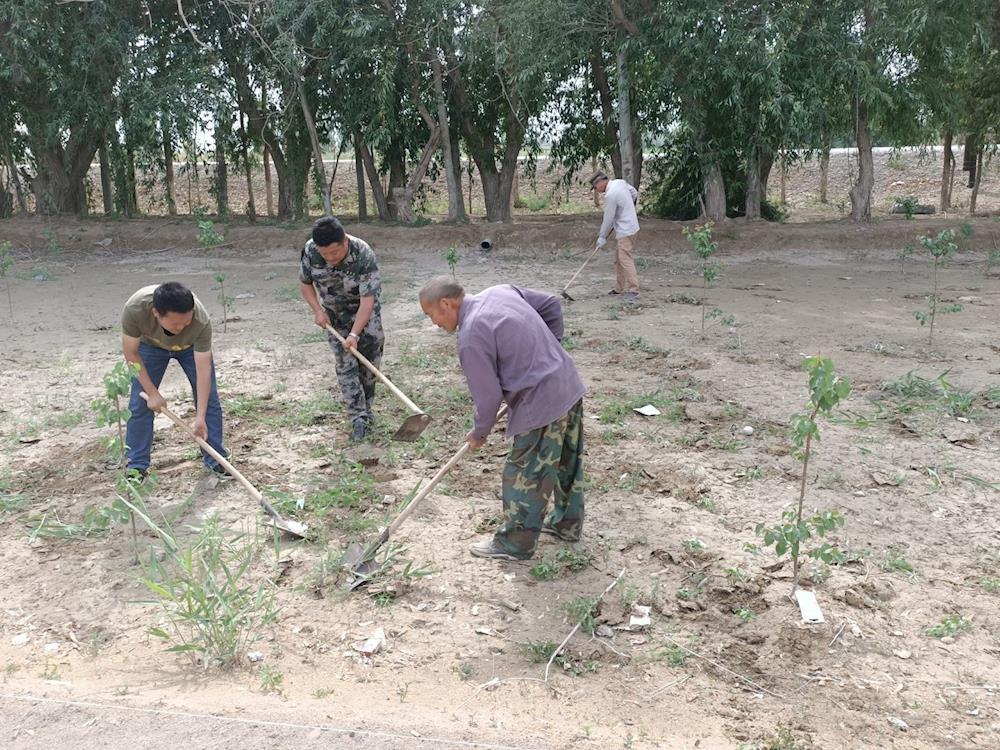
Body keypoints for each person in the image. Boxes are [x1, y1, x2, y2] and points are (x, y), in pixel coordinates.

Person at [419, 276, 586, 561]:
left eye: (430, 313)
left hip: (540, 404)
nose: (432, 321)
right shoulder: (501, 291)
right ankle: (566, 525)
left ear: (446, 304)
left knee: (524, 473)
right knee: (565, 461)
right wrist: (551, 350)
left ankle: (515, 543)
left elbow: (488, 397)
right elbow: (551, 305)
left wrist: (479, 433)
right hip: (568, 384)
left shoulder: (471, 336)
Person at [121, 282, 227, 479]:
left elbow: (203, 370)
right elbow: (131, 354)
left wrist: (200, 417)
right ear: (156, 313)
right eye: (176, 324)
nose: (182, 327)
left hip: (190, 348)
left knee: (209, 401)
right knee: (140, 403)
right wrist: (152, 393)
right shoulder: (135, 309)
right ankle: (136, 466)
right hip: (149, 346)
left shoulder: (200, 320)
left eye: (186, 322)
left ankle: (216, 460)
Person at [299, 216, 384, 442]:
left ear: (345, 241)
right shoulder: (310, 251)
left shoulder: (363, 254)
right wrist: (318, 310)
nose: (330, 258)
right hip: (334, 315)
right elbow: (305, 283)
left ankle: (367, 407)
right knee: (345, 364)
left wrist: (355, 334)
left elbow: (368, 300)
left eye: (334, 253)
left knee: (369, 363)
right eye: (325, 254)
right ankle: (357, 417)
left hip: (364, 313)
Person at [589, 170, 640, 298]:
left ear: (600, 182)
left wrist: (602, 236)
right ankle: (619, 288)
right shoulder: (620, 183)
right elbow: (634, 193)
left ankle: (634, 290)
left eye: (595, 187)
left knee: (625, 259)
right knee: (618, 259)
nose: (596, 190)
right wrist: (625, 207)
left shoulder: (610, 195)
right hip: (631, 226)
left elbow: (608, 219)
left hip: (626, 230)